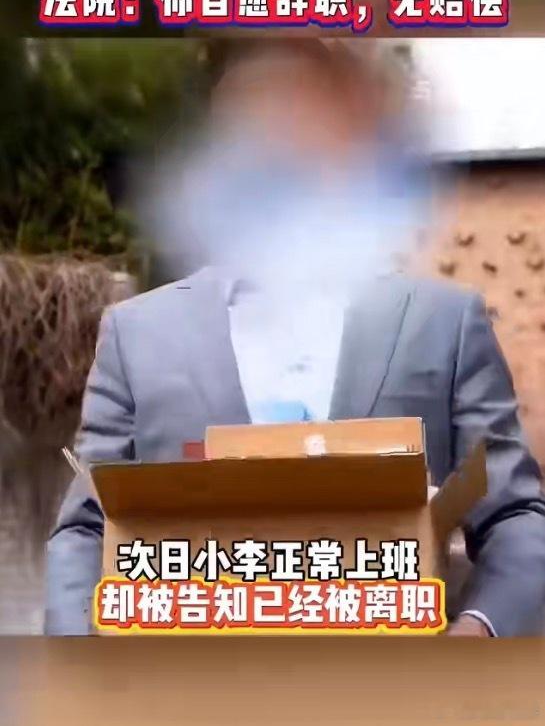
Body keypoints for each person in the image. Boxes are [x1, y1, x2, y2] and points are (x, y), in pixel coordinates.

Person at [45, 39, 545, 636]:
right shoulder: (137, 333)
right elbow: (86, 528)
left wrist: (478, 630)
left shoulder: (443, 322)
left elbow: (517, 516)